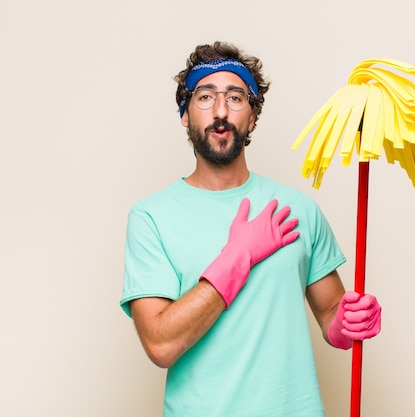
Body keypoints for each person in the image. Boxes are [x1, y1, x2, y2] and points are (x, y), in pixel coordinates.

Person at [120, 41, 382, 417]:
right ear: (185, 114)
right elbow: (161, 345)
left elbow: (330, 312)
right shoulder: (151, 217)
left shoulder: (298, 210)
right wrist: (237, 256)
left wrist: (349, 321)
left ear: (253, 117)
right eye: (205, 96)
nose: (221, 111)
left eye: (236, 97)